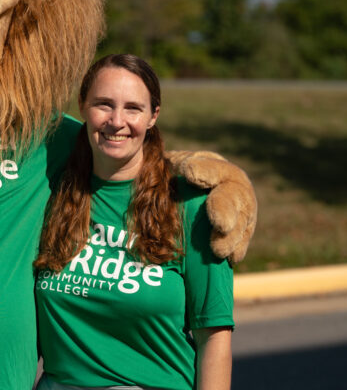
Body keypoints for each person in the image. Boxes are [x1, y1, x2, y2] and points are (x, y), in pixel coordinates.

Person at [35, 54, 234, 390]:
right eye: (103, 104)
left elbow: (213, 336)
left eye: (133, 108)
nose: (116, 121)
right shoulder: (51, 189)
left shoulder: (190, 204)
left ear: (153, 116)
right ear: (82, 106)